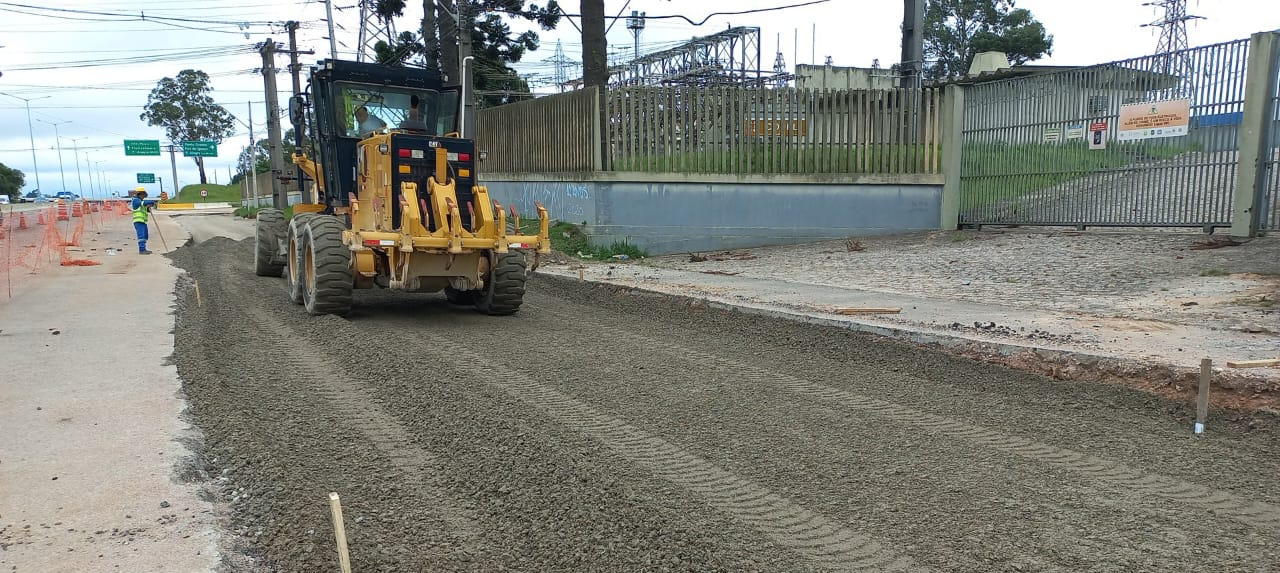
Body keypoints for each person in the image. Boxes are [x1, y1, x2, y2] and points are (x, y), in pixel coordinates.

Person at [131, 189, 153, 255]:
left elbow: (146, 210)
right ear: (139, 194)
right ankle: (142, 250)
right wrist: (151, 202)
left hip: (143, 221)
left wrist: (148, 207)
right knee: (141, 235)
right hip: (138, 221)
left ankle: (144, 248)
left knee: (145, 236)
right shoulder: (135, 200)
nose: (144, 197)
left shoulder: (141, 201)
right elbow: (142, 203)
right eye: (143, 196)